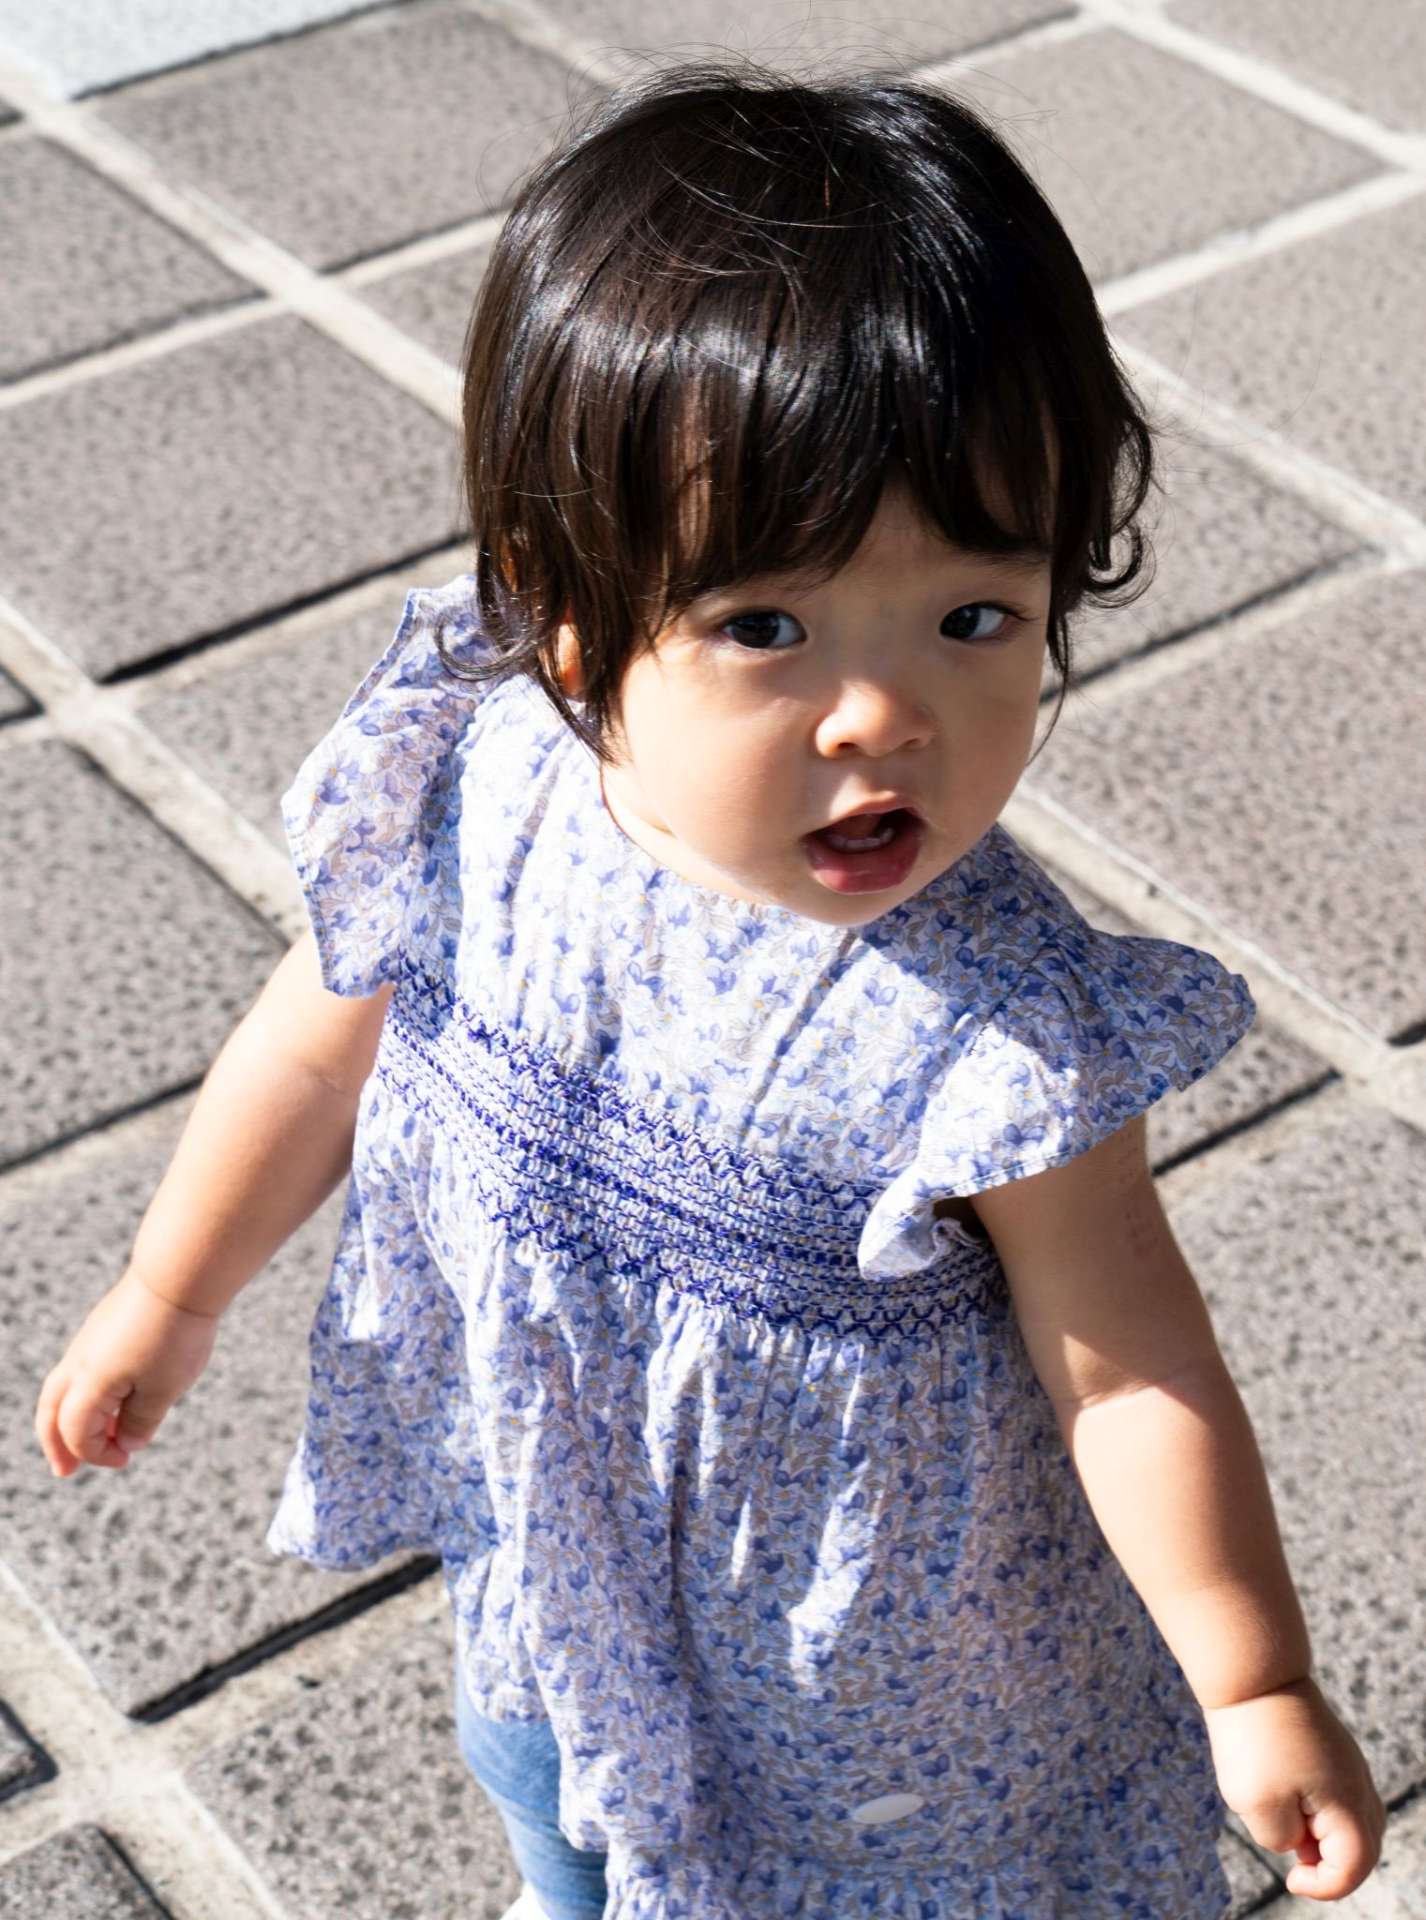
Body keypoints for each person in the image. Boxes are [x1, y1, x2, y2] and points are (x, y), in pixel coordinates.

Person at [34, 56, 1384, 1920]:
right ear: (565, 615)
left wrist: (1251, 1681)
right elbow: (322, 1039)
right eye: (765, 627)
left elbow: (1129, 1358)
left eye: (973, 618)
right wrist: (170, 1290)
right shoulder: (485, 793)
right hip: (554, 1586)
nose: (880, 712)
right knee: (548, 1812)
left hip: (869, 1722)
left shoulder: (993, 1028)